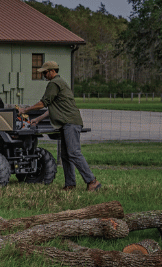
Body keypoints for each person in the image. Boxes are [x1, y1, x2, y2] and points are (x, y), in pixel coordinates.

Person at [16, 61, 101, 192]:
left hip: (70, 123)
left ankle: (92, 181)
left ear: (52, 71)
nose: (44, 75)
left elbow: (44, 103)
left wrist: (25, 110)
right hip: (66, 123)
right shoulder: (60, 83)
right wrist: (37, 119)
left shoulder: (54, 83)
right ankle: (70, 184)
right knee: (66, 155)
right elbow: (52, 108)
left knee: (74, 153)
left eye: (45, 72)